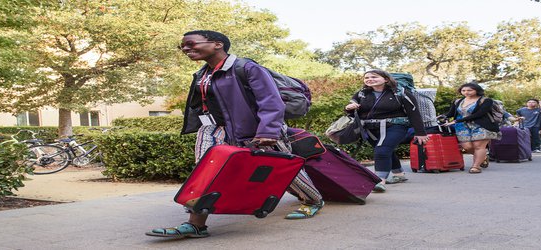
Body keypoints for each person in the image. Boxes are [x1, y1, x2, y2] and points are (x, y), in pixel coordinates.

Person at [147, 30, 324, 239]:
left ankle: (313, 200)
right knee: (205, 171)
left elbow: (270, 101)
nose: (186, 49)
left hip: (254, 129)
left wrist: (268, 131)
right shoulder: (203, 74)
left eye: (191, 44)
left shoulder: (246, 68)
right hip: (213, 129)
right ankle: (196, 224)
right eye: (183, 46)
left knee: (281, 169)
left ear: (217, 44)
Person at [345, 69, 427, 192]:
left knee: (382, 150)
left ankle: (379, 181)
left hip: (396, 127)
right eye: (366, 77)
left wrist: (420, 133)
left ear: (386, 79)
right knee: (385, 150)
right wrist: (349, 108)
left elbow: (414, 113)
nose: (369, 79)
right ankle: (399, 175)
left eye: (374, 77)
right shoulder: (361, 93)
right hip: (371, 129)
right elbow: (352, 111)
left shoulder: (401, 93)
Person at [443, 83, 501, 173]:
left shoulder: (486, 100)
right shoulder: (458, 101)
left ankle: (476, 166)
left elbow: (479, 114)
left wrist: (457, 121)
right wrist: (441, 117)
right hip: (462, 127)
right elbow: (451, 113)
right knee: (467, 147)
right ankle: (483, 157)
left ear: (477, 90)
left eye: (469, 90)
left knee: (478, 146)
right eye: (463, 90)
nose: (466, 92)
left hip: (481, 125)